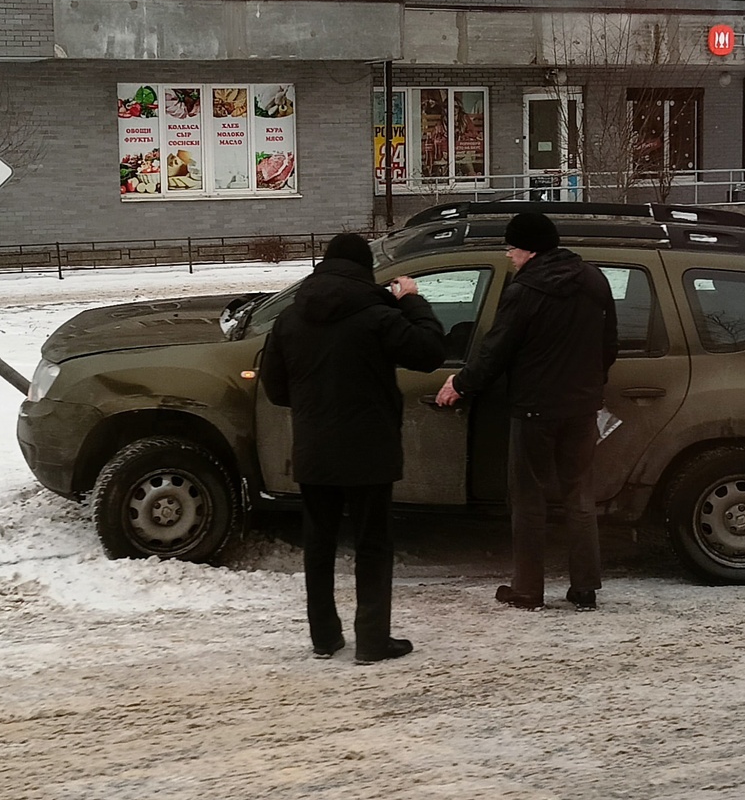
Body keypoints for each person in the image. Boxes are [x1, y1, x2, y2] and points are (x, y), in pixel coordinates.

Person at [259, 232, 446, 664]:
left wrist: (313, 406)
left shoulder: (290, 318)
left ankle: (324, 637)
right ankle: (372, 640)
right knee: (372, 544)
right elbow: (430, 351)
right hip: (370, 449)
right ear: (365, 270)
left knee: (319, 544)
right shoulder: (379, 316)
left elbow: (275, 387)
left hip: (314, 448)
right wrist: (412, 300)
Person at [435, 211, 617, 610]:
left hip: (534, 410)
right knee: (579, 496)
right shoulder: (595, 280)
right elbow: (609, 345)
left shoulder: (525, 291)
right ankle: (585, 588)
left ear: (530, 250)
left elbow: (496, 349)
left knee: (529, 499)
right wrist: (591, 386)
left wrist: (460, 384)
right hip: (582, 408)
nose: (509, 256)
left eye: (512, 248)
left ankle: (528, 590)